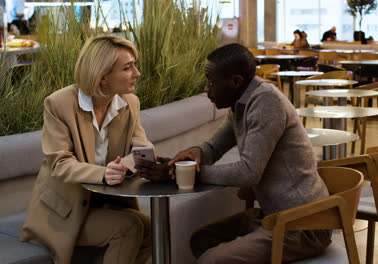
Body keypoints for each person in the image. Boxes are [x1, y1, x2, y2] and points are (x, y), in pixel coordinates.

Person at [169, 44, 330, 263]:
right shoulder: (241, 102)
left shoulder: (266, 102)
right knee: (201, 239)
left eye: (211, 83)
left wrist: (192, 175)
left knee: (212, 260)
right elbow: (214, 148)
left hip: (302, 224)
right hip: (273, 216)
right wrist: (191, 155)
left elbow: (248, 173)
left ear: (236, 82)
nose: (207, 89)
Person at [20, 35, 154, 264]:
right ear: (103, 77)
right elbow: (60, 163)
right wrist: (103, 173)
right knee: (129, 227)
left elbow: (143, 146)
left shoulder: (130, 103)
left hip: (106, 203)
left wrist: (128, 165)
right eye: (128, 67)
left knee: (151, 227)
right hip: (65, 213)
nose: (137, 73)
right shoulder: (59, 104)